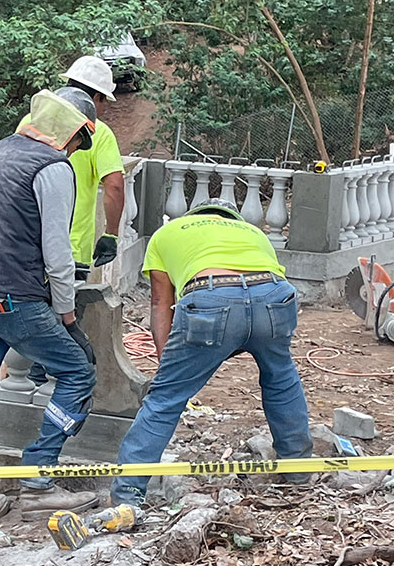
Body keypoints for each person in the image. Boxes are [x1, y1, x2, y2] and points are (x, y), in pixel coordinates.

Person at [0, 88, 101, 539]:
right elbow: (58, 254)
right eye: (78, 141)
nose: (75, 150)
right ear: (72, 132)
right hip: (14, 297)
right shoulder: (52, 168)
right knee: (77, 373)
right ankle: (37, 481)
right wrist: (69, 318)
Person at [110, 198, 315, 506]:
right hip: (273, 296)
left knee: (164, 400)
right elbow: (254, 297)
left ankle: (128, 495)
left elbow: (159, 303)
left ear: (194, 215)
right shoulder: (253, 233)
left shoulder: (168, 233)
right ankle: (298, 471)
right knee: (280, 376)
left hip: (210, 297)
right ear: (230, 218)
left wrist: (167, 364)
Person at [16, 56, 126, 280]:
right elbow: (114, 186)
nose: (104, 109)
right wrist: (111, 235)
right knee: (66, 313)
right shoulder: (100, 132)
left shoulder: (30, 119)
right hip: (71, 251)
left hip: (27, 244)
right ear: (96, 97)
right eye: (104, 101)